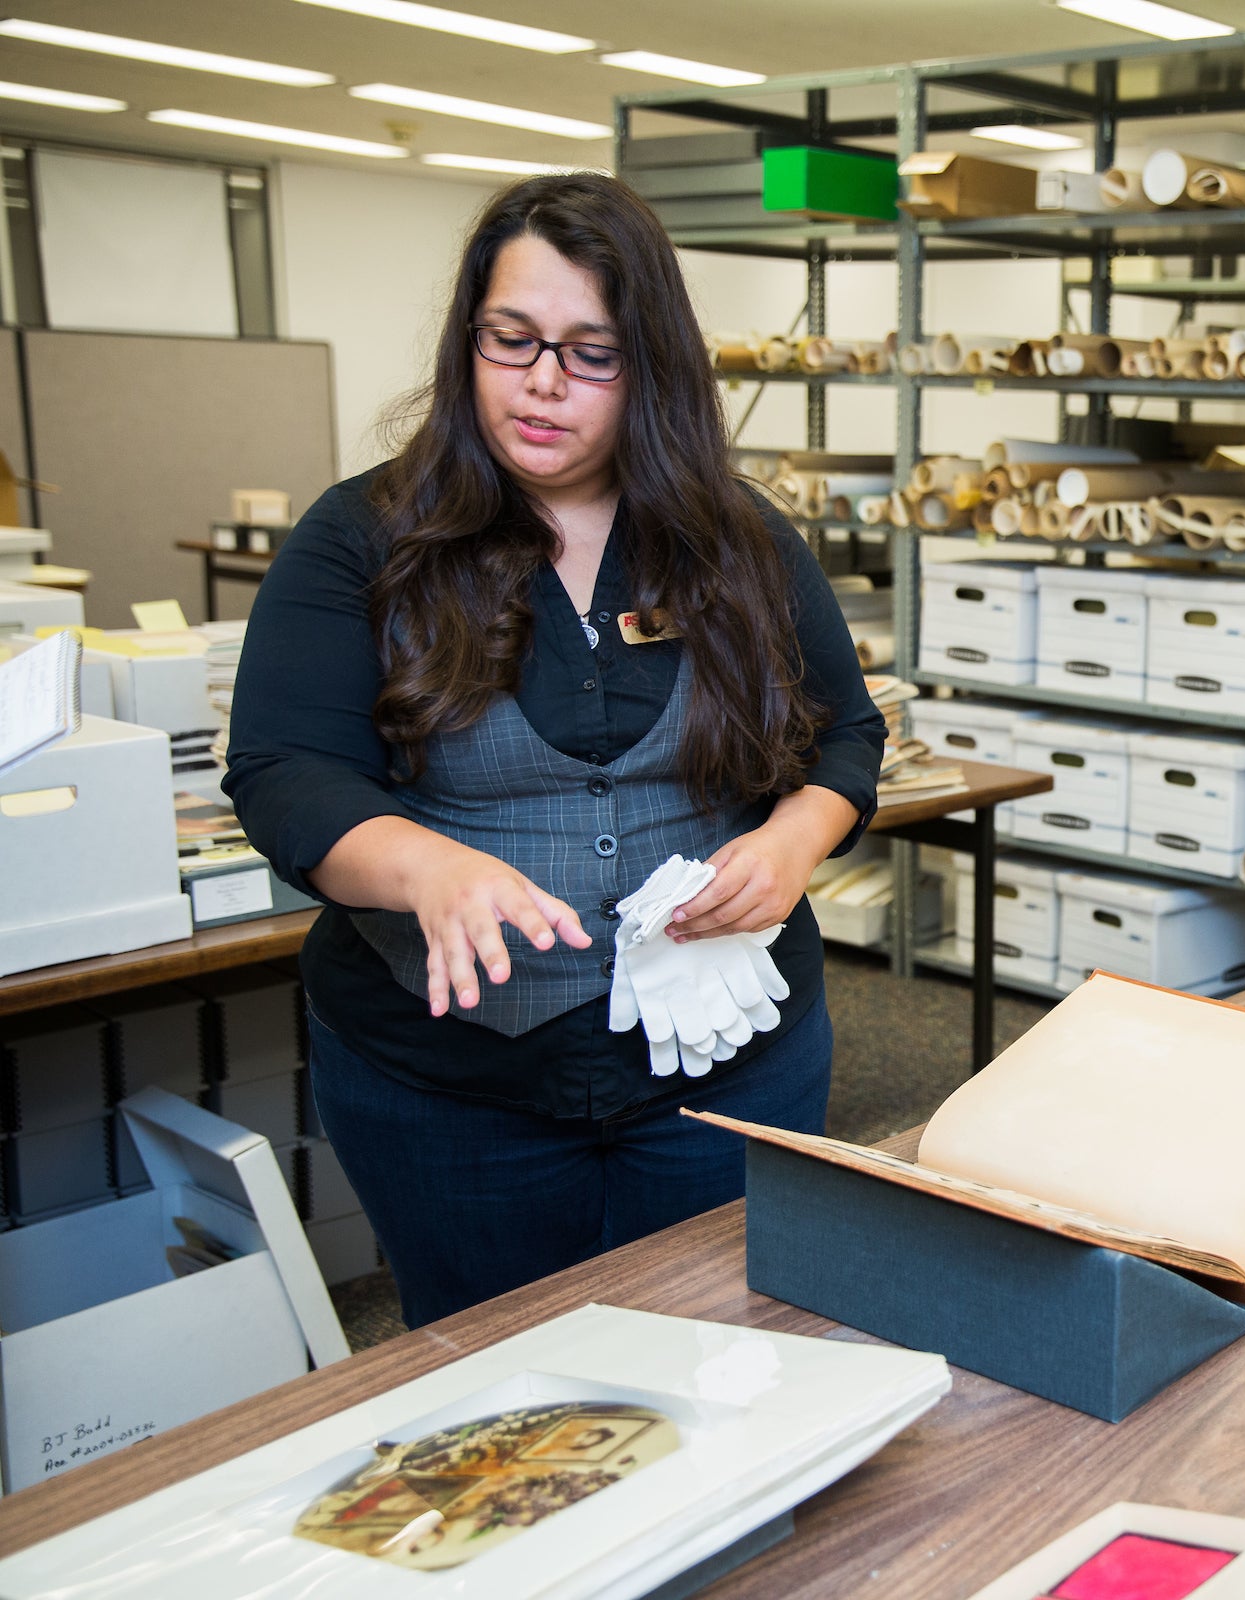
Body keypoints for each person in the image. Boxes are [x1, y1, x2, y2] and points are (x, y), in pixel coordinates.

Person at [226, 173, 883, 1328]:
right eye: (512, 339)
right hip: (453, 1090)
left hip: (723, 1071)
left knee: (734, 1352)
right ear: (466, 339)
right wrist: (423, 866)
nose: (541, 381)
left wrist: (793, 843)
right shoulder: (361, 537)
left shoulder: (738, 539)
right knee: (500, 1393)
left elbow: (848, 736)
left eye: (591, 352)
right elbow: (285, 769)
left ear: (654, 366)